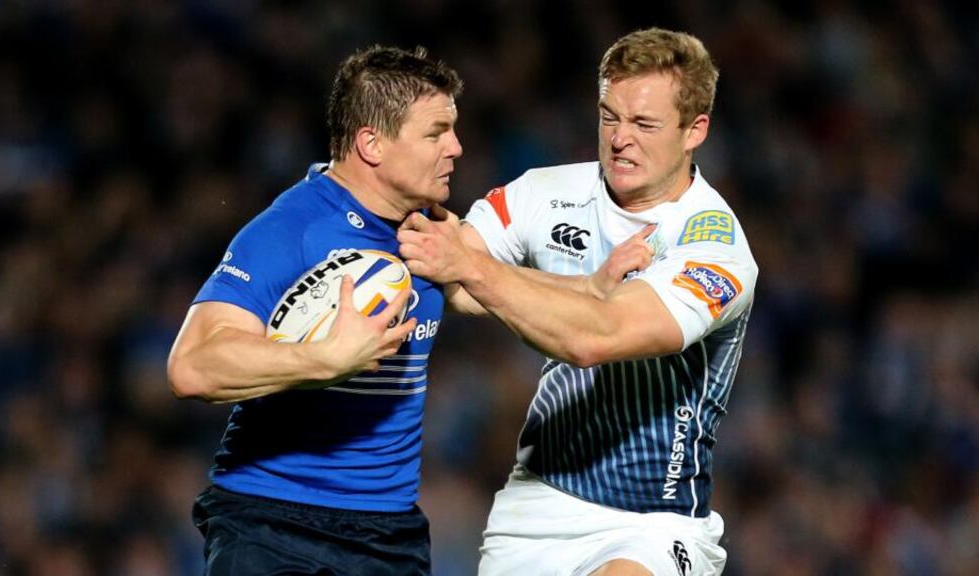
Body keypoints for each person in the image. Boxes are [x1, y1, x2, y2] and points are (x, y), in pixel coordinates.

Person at [398, 28, 757, 576]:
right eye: (609, 116)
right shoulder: (543, 193)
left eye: (644, 124)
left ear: (695, 131)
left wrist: (474, 268)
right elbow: (448, 275)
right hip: (536, 501)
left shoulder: (714, 245)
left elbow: (598, 336)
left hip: (654, 521)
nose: (620, 139)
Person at [166, 45, 463, 575]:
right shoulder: (292, 230)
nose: (456, 148)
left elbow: (500, 301)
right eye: (436, 132)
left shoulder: (435, 232)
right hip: (272, 524)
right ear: (372, 143)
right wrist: (325, 359)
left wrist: (596, 287)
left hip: (388, 535)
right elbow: (192, 367)